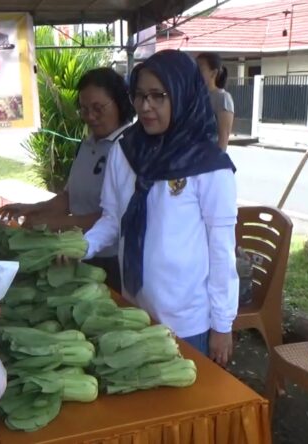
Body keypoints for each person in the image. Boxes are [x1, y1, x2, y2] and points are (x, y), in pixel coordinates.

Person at [83, 50, 238, 367]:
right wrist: (82, 246)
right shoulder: (125, 153)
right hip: (134, 308)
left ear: (182, 95)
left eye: (158, 96)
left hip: (188, 321)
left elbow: (221, 248)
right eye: (139, 96)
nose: (145, 106)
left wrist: (222, 325)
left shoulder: (209, 165)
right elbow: (113, 219)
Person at [0, 68, 134, 291]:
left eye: (98, 109)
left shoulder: (128, 149)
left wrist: (57, 224)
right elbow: (69, 198)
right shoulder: (88, 144)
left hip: (111, 260)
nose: (90, 116)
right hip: (76, 251)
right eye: (84, 109)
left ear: (120, 103)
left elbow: (114, 217)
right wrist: (32, 209)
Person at [197, 52, 234, 150]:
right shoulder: (194, 97)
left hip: (209, 157)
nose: (195, 73)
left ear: (213, 73)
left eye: (200, 69)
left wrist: (217, 161)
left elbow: (223, 137)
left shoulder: (222, 98)